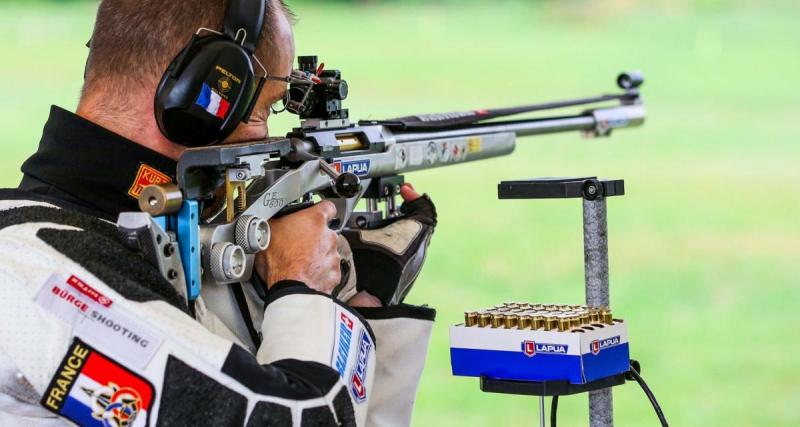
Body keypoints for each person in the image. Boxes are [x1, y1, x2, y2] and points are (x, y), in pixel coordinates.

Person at [0, 0, 438, 425]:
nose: (266, 135)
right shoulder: (34, 279)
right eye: (265, 109)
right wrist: (299, 285)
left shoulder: (105, 241)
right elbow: (300, 417)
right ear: (197, 97)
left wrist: (363, 304)